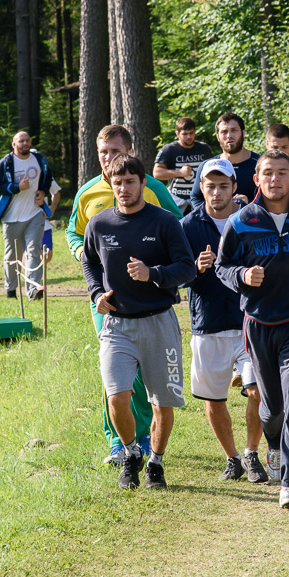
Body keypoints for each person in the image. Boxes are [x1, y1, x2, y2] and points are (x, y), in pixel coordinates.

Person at [215, 150, 289, 510]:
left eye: (282, 173)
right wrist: (242, 276)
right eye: (267, 173)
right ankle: (272, 443)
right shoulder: (240, 221)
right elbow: (223, 267)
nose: (275, 179)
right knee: (271, 410)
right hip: (258, 324)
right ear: (256, 179)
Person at [67, 124, 183, 466]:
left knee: (147, 377)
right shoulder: (87, 193)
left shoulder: (154, 188)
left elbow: (177, 229)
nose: (109, 158)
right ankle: (118, 444)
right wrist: (92, 281)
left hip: (153, 306)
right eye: (103, 152)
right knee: (115, 377)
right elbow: (77, 237)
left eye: (115, 151)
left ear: (130, 152)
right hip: (108, 301)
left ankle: (147, 438)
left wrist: (157, 274)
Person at [81, 155, 196, 490]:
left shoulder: (163, 222)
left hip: (158, 322)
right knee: (117, 396)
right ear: (111, 184)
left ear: (143, 183)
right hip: (116, 325)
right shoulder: (99, 224)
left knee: (162, 402)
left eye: (130, 182)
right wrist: (96, 292)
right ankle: (132, 454)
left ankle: (156, 463)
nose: (124, 188)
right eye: (118, 183)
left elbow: (187, 268)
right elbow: (89, 262)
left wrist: (153, 275)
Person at [181, 159, 268, 483]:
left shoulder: (252, 222)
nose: (216, 192)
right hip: (208, 324)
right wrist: (196, 267)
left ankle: (252, 453)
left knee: (257, 392)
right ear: (201, 187)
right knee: (214, 399)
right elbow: (175, 277)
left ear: (234, 188)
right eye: (209, 186)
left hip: (249, 320)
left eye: (222, 186)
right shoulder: (188, 226)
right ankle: (232, 458)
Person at [0, 131, 54, 300]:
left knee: (35, 251)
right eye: (21, 141)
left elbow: (48, 179)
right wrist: (17, 187)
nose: (25, 143)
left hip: (35, 214)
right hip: (12, 217)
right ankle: (11, 288)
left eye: (27, 140)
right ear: (14, 144)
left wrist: (42, 191)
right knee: (12, 256)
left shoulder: (39, 159)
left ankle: (33, 290)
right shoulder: (6, 163)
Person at [189, 113, 260, 210]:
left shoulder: (260, 164)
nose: (229, 135)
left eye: (234, 130)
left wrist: (251, 202)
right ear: (218, 136)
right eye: (224, 132)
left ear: (243, 133)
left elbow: (272, 199)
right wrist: (211, 218)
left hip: (252, 223)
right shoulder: (207, 167)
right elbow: (196, 197)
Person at [153, 117, 213, 214]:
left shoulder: (204, 149)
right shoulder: (169, 149)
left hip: (199, 197)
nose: (189, 137)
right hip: (177, 198)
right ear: (177, 134)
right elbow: (157, 173)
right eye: (185, 134)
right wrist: (179, 172)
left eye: (191, 133)